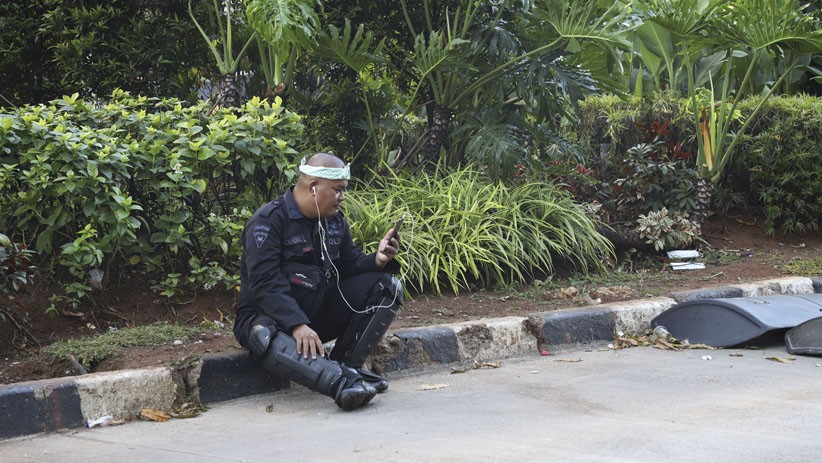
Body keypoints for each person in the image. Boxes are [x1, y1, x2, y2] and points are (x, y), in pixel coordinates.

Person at [233, 152, 403, 411]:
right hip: (270, 318)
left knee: (386, 286)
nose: (342, 197)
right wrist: (296, 323)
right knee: (262, 335)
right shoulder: (268, 221)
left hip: (314, 314)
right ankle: (340, 383)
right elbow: (264, 281)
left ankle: (349, 368)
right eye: (338, 190)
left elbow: (348, 265)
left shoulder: (334, 222)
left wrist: (378, 260)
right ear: (313, 187)